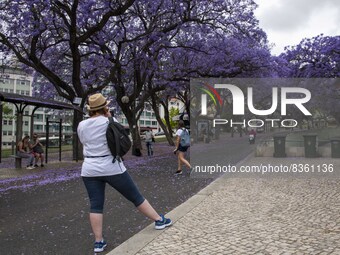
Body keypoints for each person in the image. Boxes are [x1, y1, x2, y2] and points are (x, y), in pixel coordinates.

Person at [77, 93, 172, 253]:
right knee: (135, 196)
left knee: (96, 205)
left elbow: (84, 142)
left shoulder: (81, 125)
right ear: (105, 107)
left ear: (90, 109)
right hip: (111, 165)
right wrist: (108, 116)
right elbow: (121, 138)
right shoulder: (110, 121)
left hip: (89, 168)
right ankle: (158, 219)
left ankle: (98, 242)